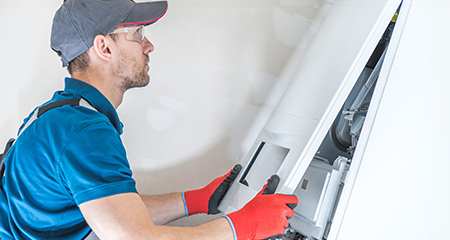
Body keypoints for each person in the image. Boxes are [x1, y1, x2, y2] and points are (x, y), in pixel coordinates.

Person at [0, 0, 298, 239]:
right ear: (104, 47)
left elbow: (113, 211)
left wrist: (193, 200)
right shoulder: (83, 131)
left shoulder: (56, 113)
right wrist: (242, 227)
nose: (149, 45)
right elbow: (133, 236)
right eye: (138, 34)